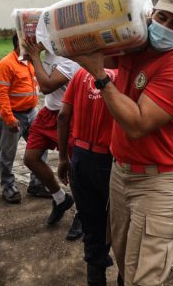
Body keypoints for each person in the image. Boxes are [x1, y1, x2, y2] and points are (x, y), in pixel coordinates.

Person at [73, 0, 173, 286]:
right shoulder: (136, 49)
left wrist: (100, 76)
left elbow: (137, 124)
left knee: (143, 277)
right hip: (120, 173)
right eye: (162, 17)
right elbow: (92, 47)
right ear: (150, 14)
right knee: (123, 260)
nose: (165, 26)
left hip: (156, 183)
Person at [57, 67, 119, 285]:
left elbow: (63, 115)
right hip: (111, 161)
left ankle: (95, 278)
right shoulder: (125, 73)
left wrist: (63, 158)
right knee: (121, 227)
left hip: (81, 158)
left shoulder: (81, 73)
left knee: (92, 225)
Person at [23, 39, 82, 237]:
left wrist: (34, 57)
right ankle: (60, 199)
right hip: (48, 112)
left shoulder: (69, 57)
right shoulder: (48, 53)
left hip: (69, 116)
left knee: (74, 169)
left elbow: (47, 86)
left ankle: (81, 213)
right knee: (30, 158)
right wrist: (33, 57)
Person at [0, 33, 45, 204]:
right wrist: (9, 118)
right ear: (20, 44)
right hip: (13, 114)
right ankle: (8, 186)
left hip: (31, 112)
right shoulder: (6, 64)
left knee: (40, 146)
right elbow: (1, 95)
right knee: (7, 153)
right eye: (30, 43)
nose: (35, 47)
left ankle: (37, 183)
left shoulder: (30, 62)